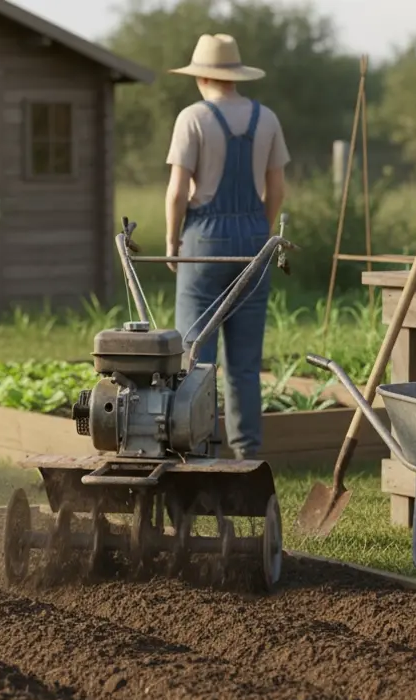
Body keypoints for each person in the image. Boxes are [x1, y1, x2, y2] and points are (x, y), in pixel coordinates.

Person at [164, 33, 289, 460]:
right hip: (254, 238)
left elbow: (177, 191)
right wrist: (260, 232)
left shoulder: (193, 118)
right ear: (235, 75)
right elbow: (277, 188)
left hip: (203, 241)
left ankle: (199, 451)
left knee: (195, 357)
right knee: (245, 362)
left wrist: (172, 240)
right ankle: (247, 455)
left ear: (201, 77)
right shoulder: (266, 118)